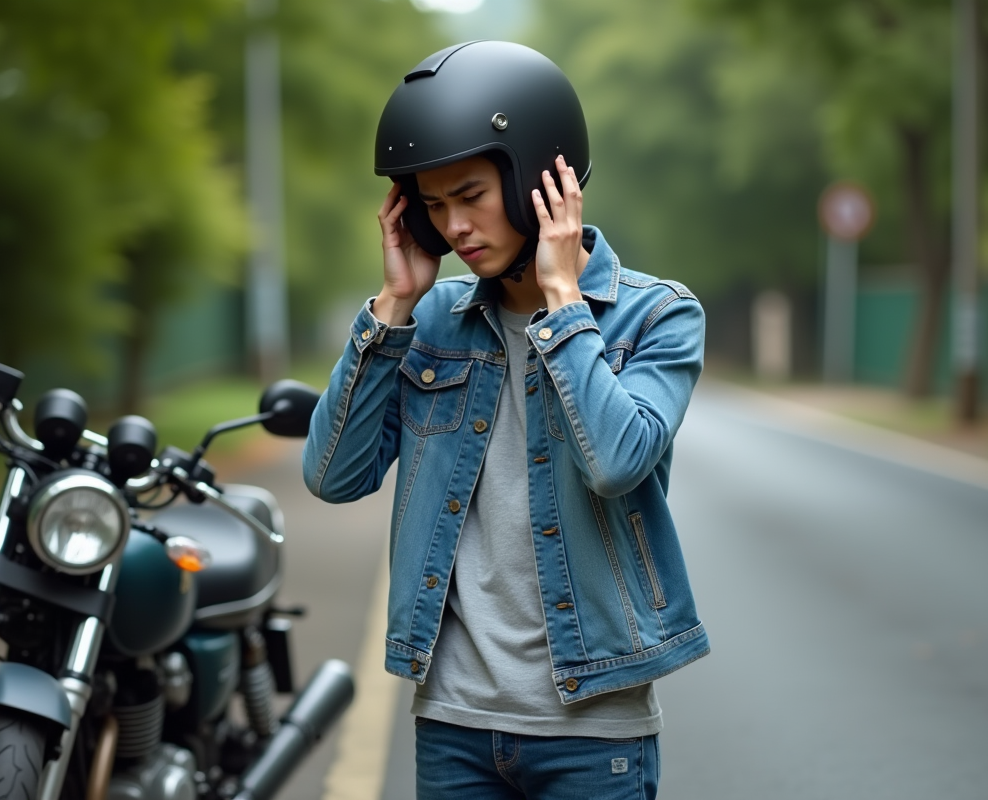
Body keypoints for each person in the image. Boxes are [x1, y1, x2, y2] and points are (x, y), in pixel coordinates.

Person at [302, 41, 708, 799]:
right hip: (454, 723)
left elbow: (617, 462)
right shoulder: (430, 322)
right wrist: (392, 307)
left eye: (470, 194)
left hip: (594, 732)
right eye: (431, 206)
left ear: (540, 180)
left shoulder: (659, 315)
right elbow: (331, 476)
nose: (454, 226)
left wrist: (563, 305)